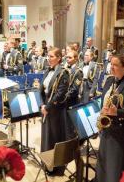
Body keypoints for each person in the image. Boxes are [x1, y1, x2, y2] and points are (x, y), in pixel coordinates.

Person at [40, 47, 70, 176]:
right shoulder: (47, 70)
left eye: (51, 56)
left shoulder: (64, 72)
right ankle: (47, 164)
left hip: (55, 109)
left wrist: (48, 107)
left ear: (59, 58)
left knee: (54, 137)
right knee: (46, 137)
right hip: (45, 106)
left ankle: (56, 167)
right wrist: (42, 104)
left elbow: (60, 93)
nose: (49, 58)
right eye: (48, 56)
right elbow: (41, 89)